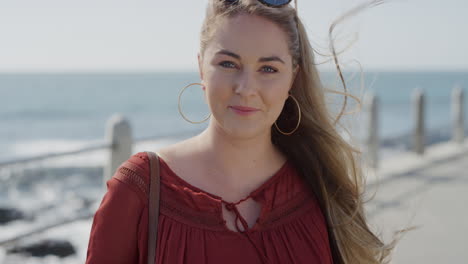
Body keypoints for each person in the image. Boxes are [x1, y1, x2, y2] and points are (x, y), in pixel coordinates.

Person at [86, 0, 397, 263]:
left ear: (293, 78)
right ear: (200, 67)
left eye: (268, 69)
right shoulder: (140, 190)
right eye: (228, 64)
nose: (246, 88)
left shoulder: (320, 189)